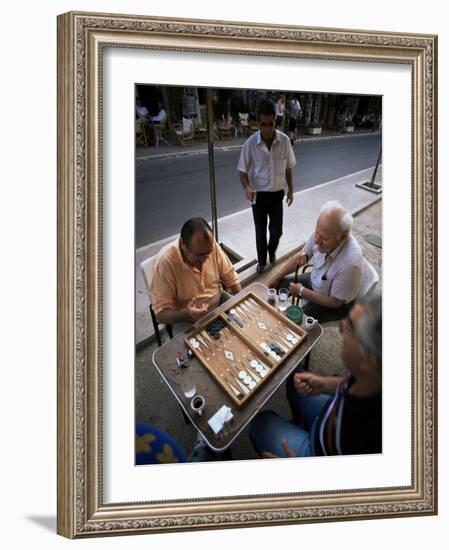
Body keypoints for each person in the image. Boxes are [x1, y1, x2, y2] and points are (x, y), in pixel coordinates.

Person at [249, 295, 382, 458]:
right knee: (295, 377)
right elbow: (352, 382)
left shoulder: (368, 438)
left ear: (368, 360)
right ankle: (300, 422)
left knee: (259, 423)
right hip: (331, 412)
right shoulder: (372, 377)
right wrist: (325, 384)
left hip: (318, 453)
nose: (340, 327)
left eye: (349, 327)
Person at [267, 200, 363, 321]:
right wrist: (277, 276)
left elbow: (335, 302)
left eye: (323, 238)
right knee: (279, 285)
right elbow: (301, 257)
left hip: (333, 303)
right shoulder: (322, 233)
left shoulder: (350, 263)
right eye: (316, 233)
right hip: (317, 281)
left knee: (296, 322)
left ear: (342, 236)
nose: (316, 240)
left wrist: (302, 291)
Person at [149, 218, 241, 329]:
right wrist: (185, 313)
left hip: (219, 302)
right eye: (199, 255)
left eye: (208, 253)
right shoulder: (165, 262)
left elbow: (231, 278)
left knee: (247, 323)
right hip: (187, 320)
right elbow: (160, 315)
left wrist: (241, 300)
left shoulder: (211, 247)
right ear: (183, 244)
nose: (205, 259)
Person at [237, 99, 296, 273]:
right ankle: (262, 261)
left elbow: (288, 167)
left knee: (277, 231)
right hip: (258, 196)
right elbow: (242, 170)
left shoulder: (284, 141)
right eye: (263, 124)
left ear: (275, 122)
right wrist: (246, 187)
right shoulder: (249, 145)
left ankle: (272, 252)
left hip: (277, 194)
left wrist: (291, 189)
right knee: (260, 232)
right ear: (258, 123)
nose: (267, 129)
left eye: (271, 124)